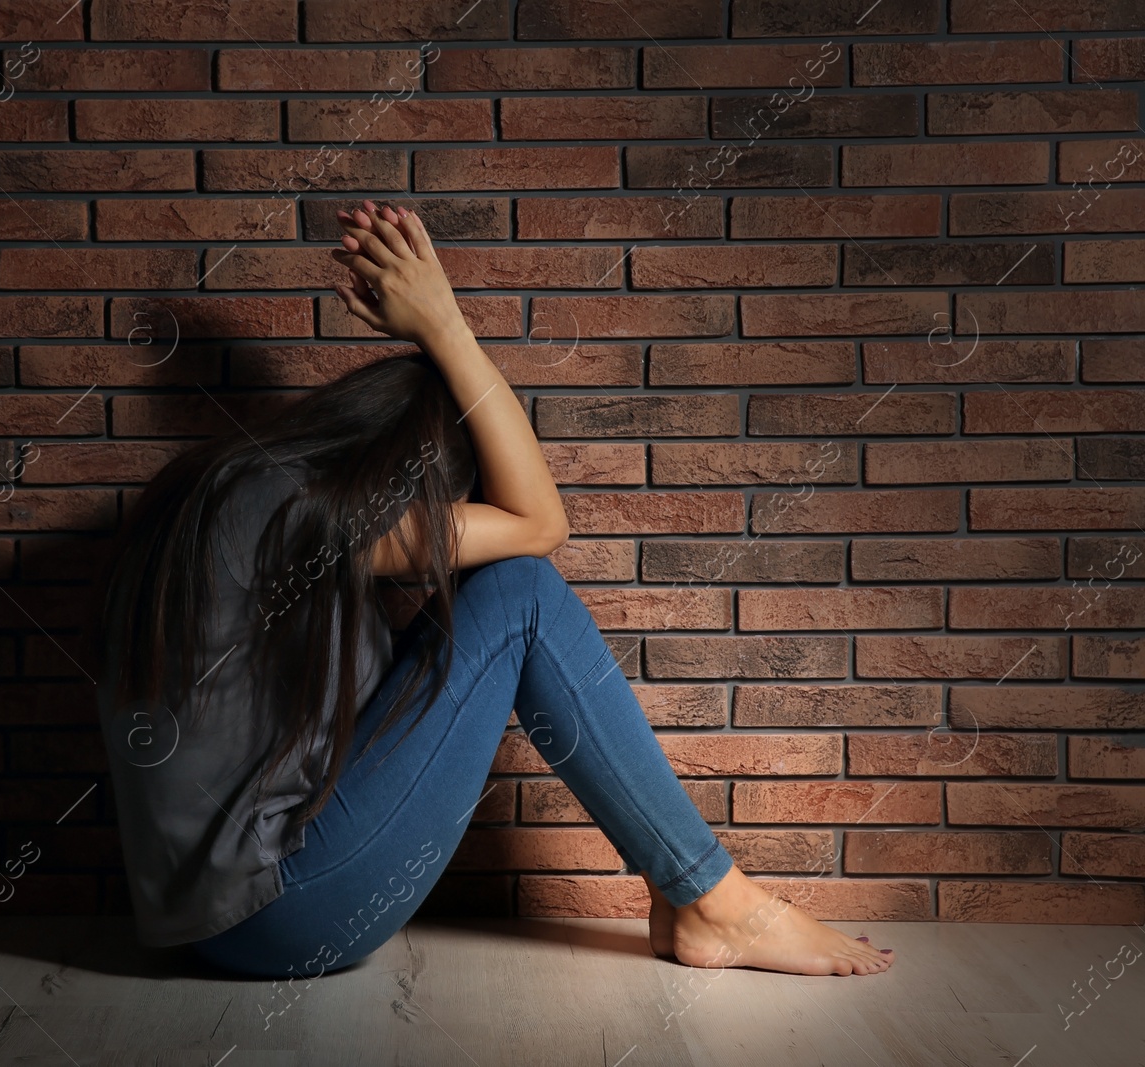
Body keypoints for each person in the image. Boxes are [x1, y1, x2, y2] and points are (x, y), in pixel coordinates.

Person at [96, 199, 895, 982]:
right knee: (519, 591)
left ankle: (690, 897)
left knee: (502, 586)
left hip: (213, 919)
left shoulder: (224, 492)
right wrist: (446, 329)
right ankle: (713, 900)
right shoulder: (291, 512)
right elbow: (539, 523)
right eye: (440, 494)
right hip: (282, 914)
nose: (437, 521)